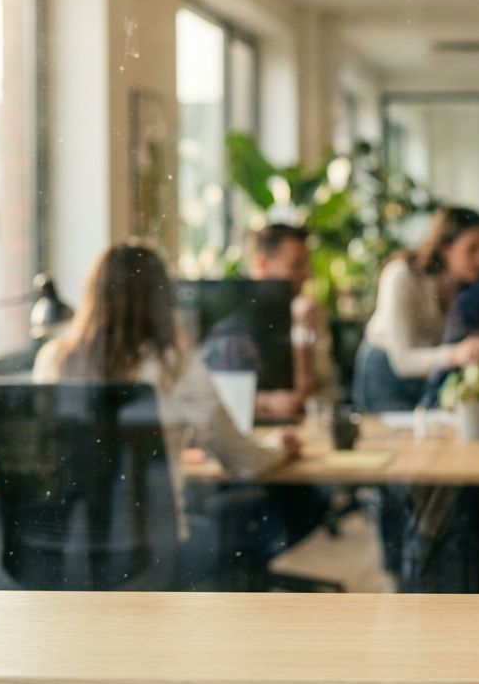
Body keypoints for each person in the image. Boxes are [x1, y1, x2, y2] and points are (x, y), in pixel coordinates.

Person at [33, 241, 301, 583]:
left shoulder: (54, 361)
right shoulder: (175, 367)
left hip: (61, 546)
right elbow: (242, 460)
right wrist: (280, 447)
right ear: (162, 301)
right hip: (150, 552)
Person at [353, 206, 479, 412]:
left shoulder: (461, 287)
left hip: (424, 375)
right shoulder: (401, 276)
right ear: (445, 247)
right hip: (384, 374)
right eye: (472, 249)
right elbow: (403, 361)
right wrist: (457, 354)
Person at [201, 223, 339, 421]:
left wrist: (302, 335)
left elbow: (321, 390)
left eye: (307, 265)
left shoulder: (307, 314)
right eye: (296, 265)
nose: (307, 275)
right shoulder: (233, 326)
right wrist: (263, 402)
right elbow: (211, 397)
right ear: (262, 264)